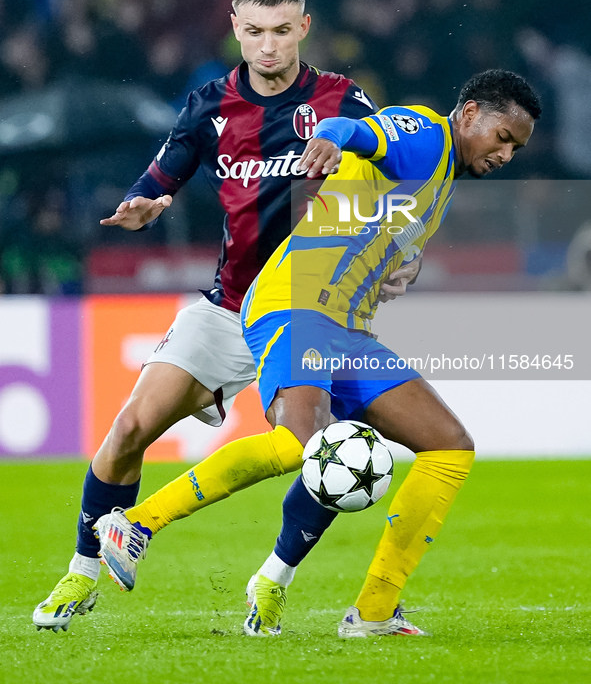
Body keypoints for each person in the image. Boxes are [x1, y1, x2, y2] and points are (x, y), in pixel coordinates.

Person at [92, 69, 540, 638]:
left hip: (347, 328)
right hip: (293, 306)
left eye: (516, 149)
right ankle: (134, 525)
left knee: (448, 447)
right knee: (299, 444)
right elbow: (360, 132)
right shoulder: (429, 134)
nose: (507, 154)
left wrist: (402, 261)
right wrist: (330, 134)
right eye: (503, 137)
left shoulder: (442, 175)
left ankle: (373, 612)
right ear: (471, 113)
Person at [32, 0, 379, 631]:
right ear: (234, 30)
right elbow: (163, 171)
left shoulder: (341, 102)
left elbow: (391, 160)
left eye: (282, 31)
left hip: (304, 312)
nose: (269, 46)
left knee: (315, 452)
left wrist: (359, 164)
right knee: (128, 429)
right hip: (227, 309)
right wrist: (142, 200)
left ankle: (272, 580)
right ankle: (80, 574)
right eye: (254, 32)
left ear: (303, 26)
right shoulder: (210, 104)